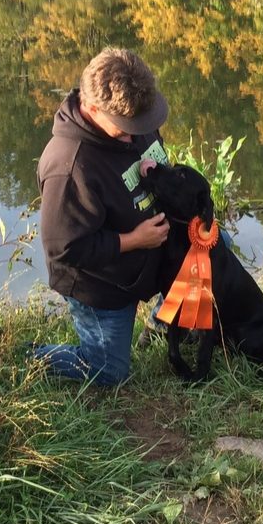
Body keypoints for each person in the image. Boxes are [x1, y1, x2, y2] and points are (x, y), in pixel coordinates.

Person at [33, 48, 171, 386]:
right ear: (91, 107)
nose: (134, 136)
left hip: (151, 253)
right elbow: (64, 250)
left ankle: (160, 323)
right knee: (109, 373)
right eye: (125, 130)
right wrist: (134, 240)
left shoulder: (136, 118)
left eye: (140, 126)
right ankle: (26, 355)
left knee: (214, 247)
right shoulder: (68, 166)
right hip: (101, 281)